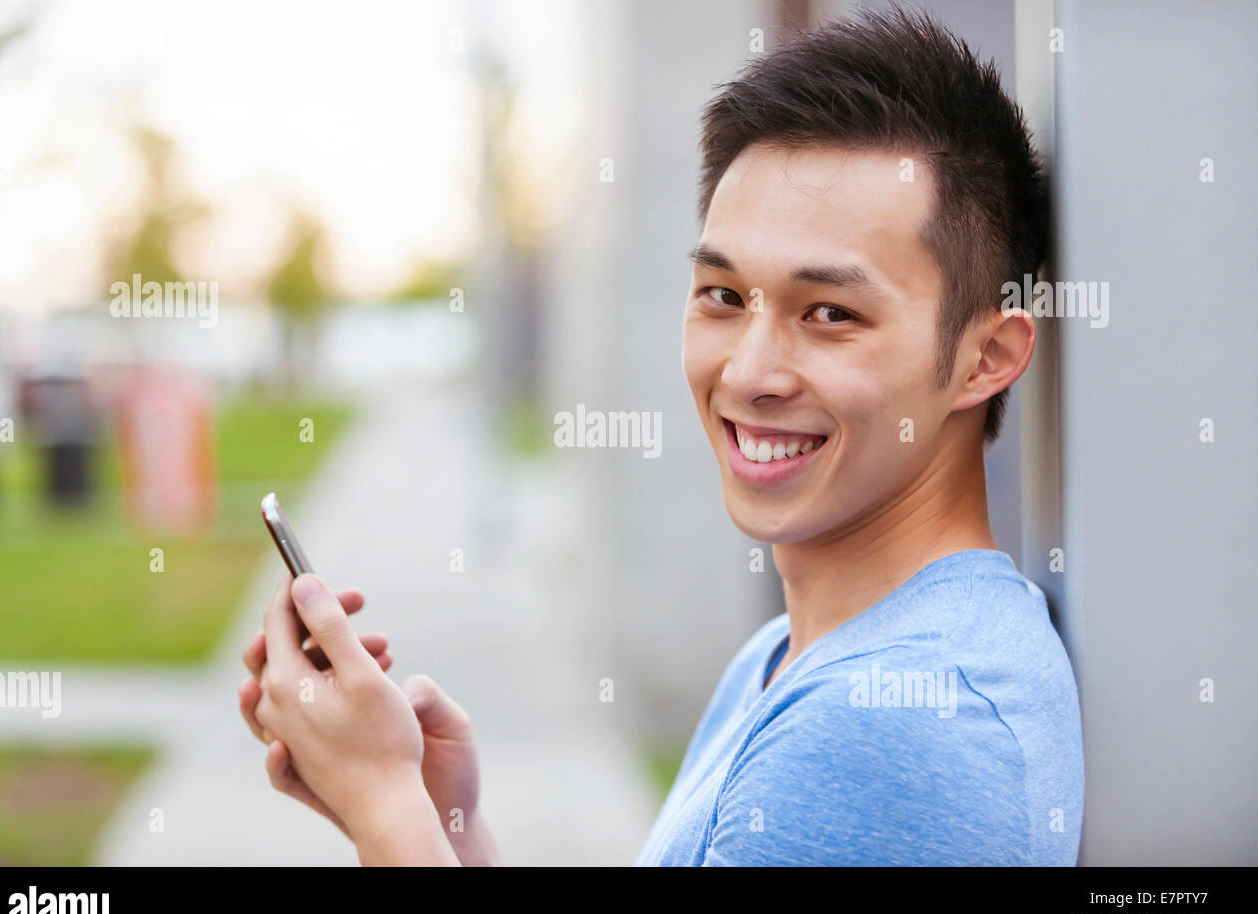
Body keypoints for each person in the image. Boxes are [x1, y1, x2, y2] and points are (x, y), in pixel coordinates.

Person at [236, 7, 1083, 866]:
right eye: (723, 295)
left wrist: (386, 810)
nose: (750, 372)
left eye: (830, 313)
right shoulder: (800, 655)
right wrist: (447, 825)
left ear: (987, 358)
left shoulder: (889, 730)